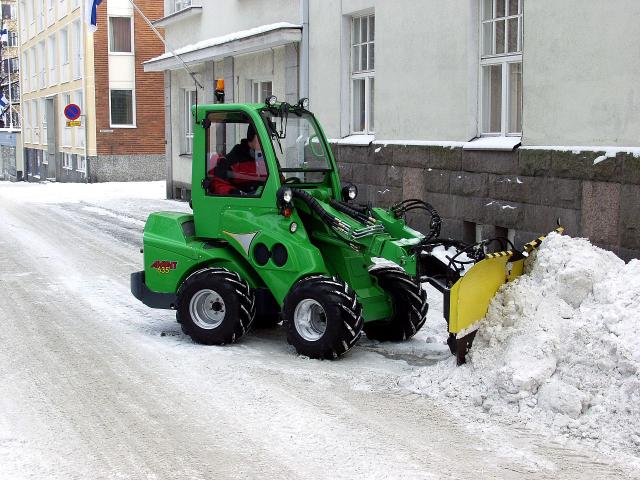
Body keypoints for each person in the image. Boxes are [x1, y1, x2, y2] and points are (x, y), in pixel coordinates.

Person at [210, 124, 268, 195]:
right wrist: (233, 192)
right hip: (245, 203)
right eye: (262, 137)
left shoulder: (268, 159)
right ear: (251, 137)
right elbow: (217, 184)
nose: (266, 142)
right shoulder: (231, 160)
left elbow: (279, 179)